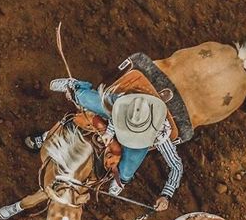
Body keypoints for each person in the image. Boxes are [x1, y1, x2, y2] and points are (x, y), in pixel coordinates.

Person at [25, 78, 183, 212]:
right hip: (117, 111)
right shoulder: (125, 103)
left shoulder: (160, 133)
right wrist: (110, 132)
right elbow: (116, 114)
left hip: (131, 135)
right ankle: (73, 85)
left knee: (126, 171)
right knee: (83, 98)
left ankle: (121, 180)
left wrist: (166, 194)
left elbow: (176, 165)